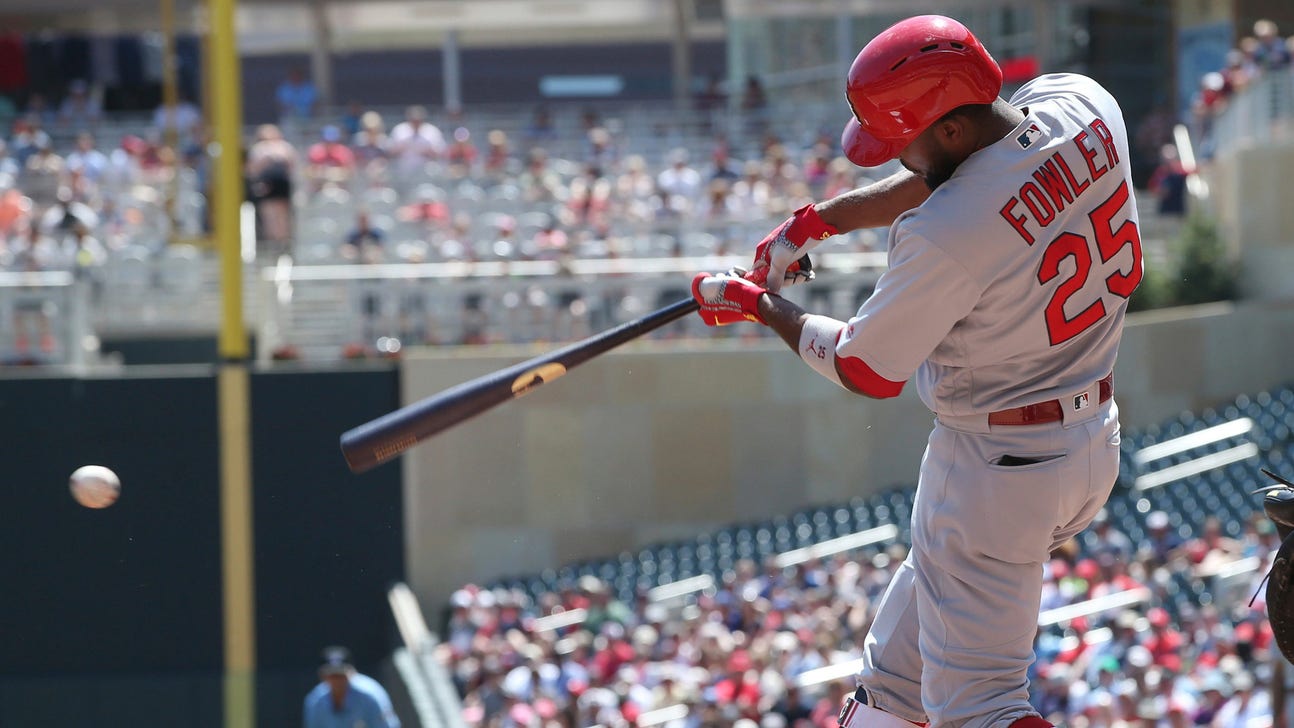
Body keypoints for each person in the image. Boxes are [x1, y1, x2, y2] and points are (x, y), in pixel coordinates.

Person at [690, 15, 1140, 728]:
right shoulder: (1086, 103)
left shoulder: (945, 233)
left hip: (996, 469)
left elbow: (864, 369)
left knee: (981, 709)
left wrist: (756, 303)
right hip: (1088, 437)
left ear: (951, 131)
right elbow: (977, 173)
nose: (900, 159)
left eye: (906, 142)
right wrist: (813, 224)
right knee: (893, 686)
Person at [303, 646, 400, 728]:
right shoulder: (315, 700)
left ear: (352, 672)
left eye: (341, 675)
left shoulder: (370, 695)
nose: (337, 681)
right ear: (323, 676)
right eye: (333, 676)